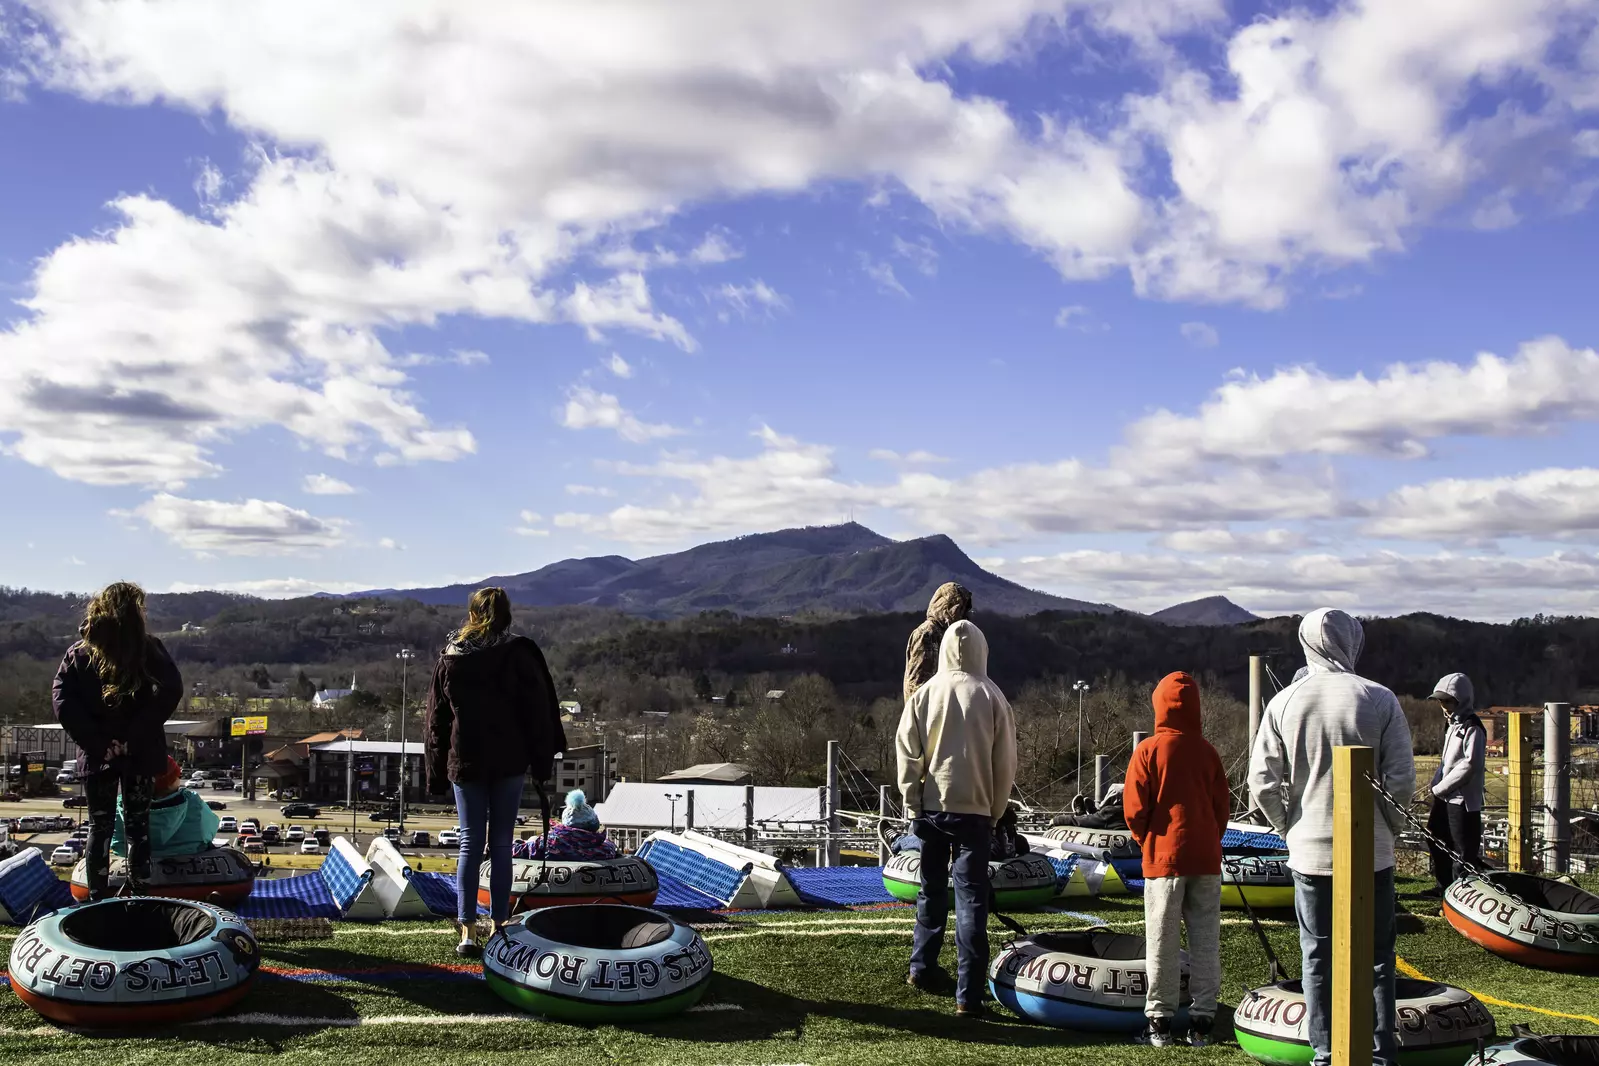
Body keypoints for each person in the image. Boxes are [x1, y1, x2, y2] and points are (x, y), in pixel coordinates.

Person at [1249, 608, 1415, 1066]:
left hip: (1310, 847)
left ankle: (1324, 1053)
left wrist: (1289, 826)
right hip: (1373, 849)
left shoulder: (1284, 701)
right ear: (1353, 641)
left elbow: (1261, 782)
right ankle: (1380, 1054)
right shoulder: (1378, 697)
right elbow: (1401, 780)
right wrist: (1388, 828)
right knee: (1379, 957)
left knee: (1317, 957)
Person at [425, 587, 566, 957]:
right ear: (506, 614)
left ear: (472, 614)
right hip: (508, 759)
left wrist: (435, 771)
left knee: (470, 844)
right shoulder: (519, 654)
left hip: (465, 759)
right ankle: (499, 924)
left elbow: (436, 722)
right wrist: (541, 760)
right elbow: (538, 712)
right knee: (502, 844)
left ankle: (466, 931)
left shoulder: (450, 656)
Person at [896, 619, 1017, 1018]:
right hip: (977, 813)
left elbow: (907, 752)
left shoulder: (927, 693)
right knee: (971, 902)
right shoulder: (992, 695)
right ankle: (968, 993)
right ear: (983, 650)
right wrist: (996, 811)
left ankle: (921, 968)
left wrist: (913, 801)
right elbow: (1005, 764)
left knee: (930, 892)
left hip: (932, 808)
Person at [51, 581, 183, 900]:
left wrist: (99, 743)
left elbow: (62, 699)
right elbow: (171, 690)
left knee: (100, 827)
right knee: (138, 827)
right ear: (132, 612)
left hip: (98, 757)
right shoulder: (150, 648)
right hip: (139, 753)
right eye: (140, 607)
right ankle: (139, 896)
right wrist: (133, 737)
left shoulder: (79, 652)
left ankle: (97, 899)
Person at [1123, 671, 1231, 1048]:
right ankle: (1203, 1022)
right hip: (1205, 857)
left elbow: (1134, 810)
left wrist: (1149, 840)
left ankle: (1159, 1022)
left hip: (1163, 858)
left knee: (1162, 941)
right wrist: (1208, 839)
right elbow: (1222, 810)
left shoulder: (1149, 750)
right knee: (1206, 941)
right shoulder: (1208, 752)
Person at [1424, 673, 1486, 896]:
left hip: (1462, 799)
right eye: (1441, 701)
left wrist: (1440, 788)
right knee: (1435, 837)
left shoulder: (1472, 726)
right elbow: (1446, 762)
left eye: (1448, 701)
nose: (1444, 706)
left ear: (1462, 700)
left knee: (1462, 848)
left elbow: (1470, 765)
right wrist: (1436, 784)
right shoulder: (1451, 725)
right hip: (1444, 796)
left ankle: (1460, 892)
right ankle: (1443, 886)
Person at [113, 755, 220, 859]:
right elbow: (210, 829)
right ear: (169, 783)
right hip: (186, 862)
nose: (180, 778)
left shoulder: (121, 805)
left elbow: (117, 844)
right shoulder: (192, 803)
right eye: (177, 775)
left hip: (135, 863)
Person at [903, 582, 972, 703]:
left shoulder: (948, 634)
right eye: (960, 608)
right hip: (929, 715)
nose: (964, 615)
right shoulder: (927, 634)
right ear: (946, 606)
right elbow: (917, 686)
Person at [515, 789, 620, 860]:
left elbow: (517, 851)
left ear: (564, 825)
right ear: (594, 824)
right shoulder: (605, 848)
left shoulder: (550, 843)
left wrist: (518, 843)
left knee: (532, 838)